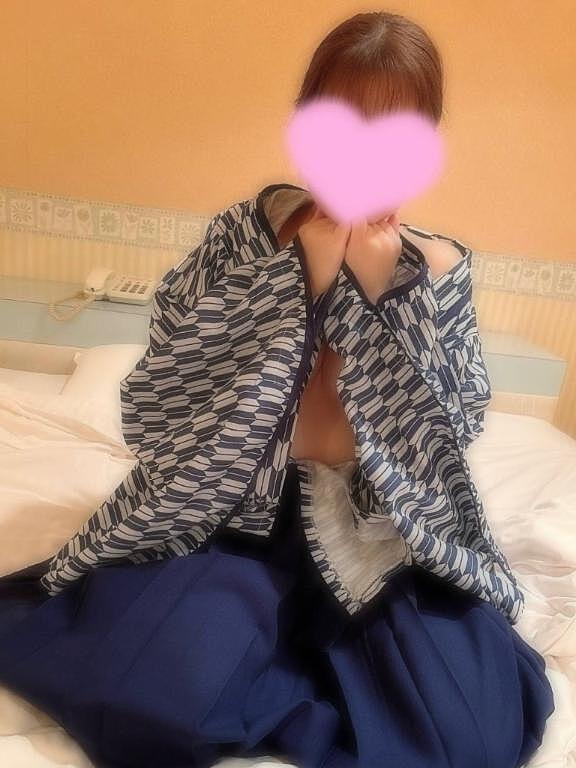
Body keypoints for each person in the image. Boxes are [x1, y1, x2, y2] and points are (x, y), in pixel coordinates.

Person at [0, 10, 555, 768]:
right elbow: (165, 388)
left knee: (470, 737)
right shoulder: (248, 232)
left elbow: (448, 436)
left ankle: (300, 676)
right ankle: (272, 669)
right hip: (232, 516)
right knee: (146, 698)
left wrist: (385, 296)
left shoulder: (440, 268)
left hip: (377, 532)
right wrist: (303, 280)